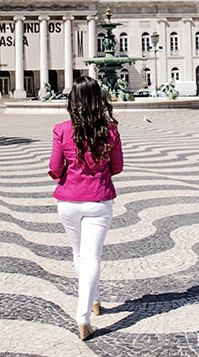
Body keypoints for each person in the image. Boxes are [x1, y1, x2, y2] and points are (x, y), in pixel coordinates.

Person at [49, 77, 123, 341]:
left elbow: (55, 168)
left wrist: (66, 177)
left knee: (79, 253)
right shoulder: (110, 130)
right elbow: (117, 167)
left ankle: (93, 300)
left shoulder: (61, 129)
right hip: (99, 200)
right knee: (91, 257)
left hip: (68, 202)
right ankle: (84, 316)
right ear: (98, 99)